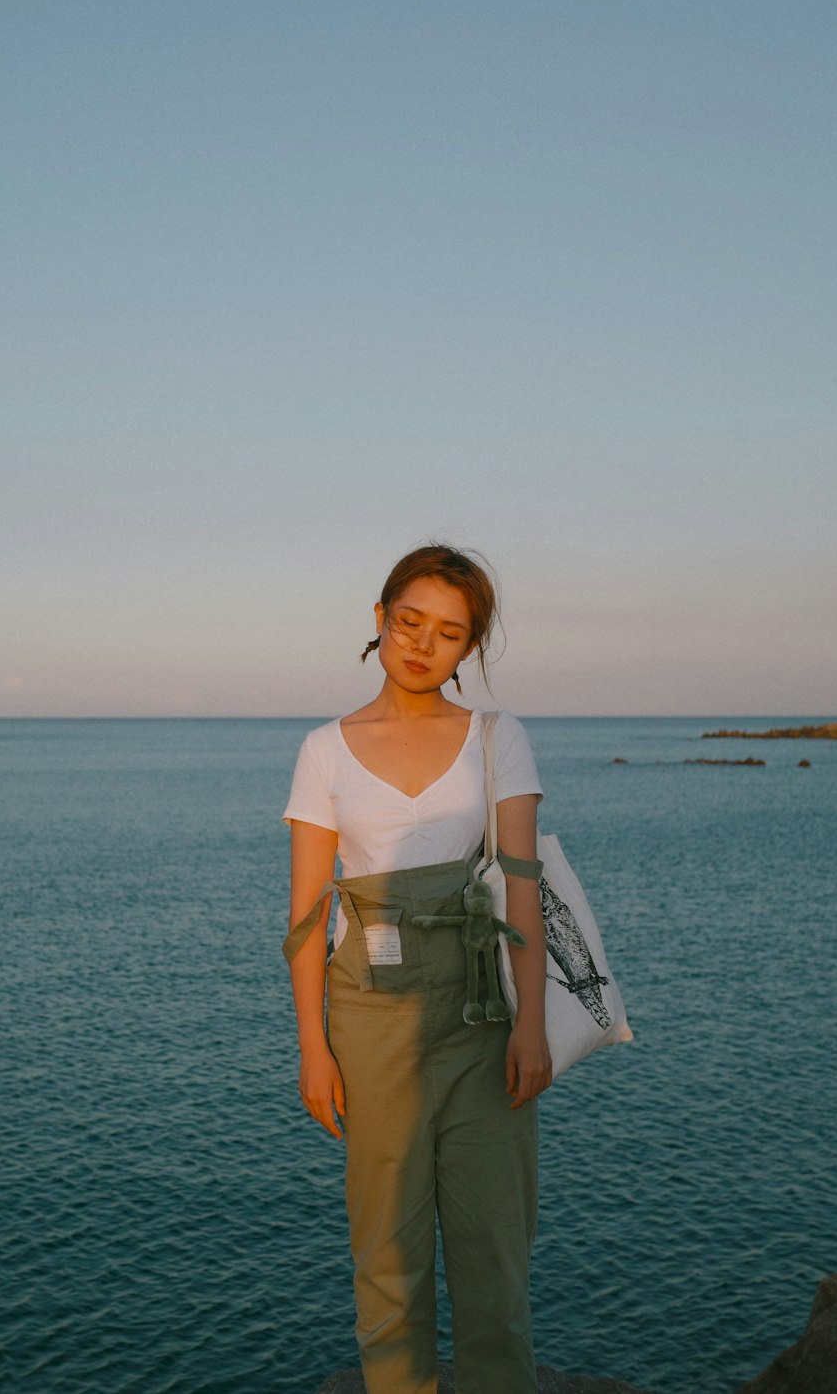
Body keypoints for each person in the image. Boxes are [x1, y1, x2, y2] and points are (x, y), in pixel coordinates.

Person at [283, 543, 552, 1394]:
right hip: (368, 1017)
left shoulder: (496, 738)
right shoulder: (325, 748)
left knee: (493, 1251)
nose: (422, 644)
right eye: (410, 622)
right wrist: (314, 1049)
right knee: (387, 1251)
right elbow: (305, 917)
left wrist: (534, 1026)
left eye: (448, 632)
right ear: (379, 619)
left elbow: (522, 889)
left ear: (468, 648)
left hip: (483, 1015)